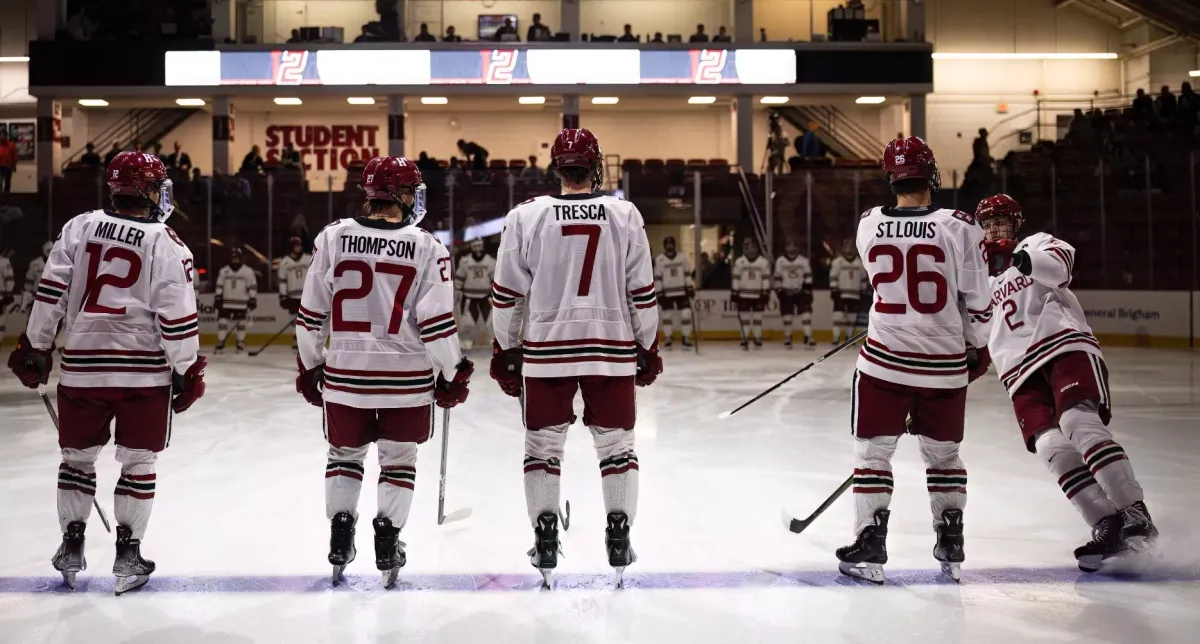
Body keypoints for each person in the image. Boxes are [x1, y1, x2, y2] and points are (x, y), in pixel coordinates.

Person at [6, 151, 206, 594]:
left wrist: (35, 345)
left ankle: (71, 544)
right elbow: (176, 316)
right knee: (138, 463)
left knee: (77, 459)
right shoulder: (166, 242)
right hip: (142, 374)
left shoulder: (79, 227)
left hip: (82, 369)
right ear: (149, 190)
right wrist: (187, 368)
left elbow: (50, 291)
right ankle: (128, 552)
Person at [489, 127, 661, 589]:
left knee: (542, 451)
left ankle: (545, 536)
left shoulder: (527, 216)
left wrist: (505, 348)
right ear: (595, 165)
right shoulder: (624, 214)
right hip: (611, 348)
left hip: (547, 352)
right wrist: (648, 343)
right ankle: (620, 533)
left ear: (557, 168)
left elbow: (507, 294)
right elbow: (641, 291)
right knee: (618, 449)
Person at [294, 155, 472, 588]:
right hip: (405, 381)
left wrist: (311, 362)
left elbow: (310, 312)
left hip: (346, 375)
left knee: (343, 458)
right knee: (398, 462)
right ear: (403, 195)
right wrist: (452, 371)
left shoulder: (334, 237)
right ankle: (388, 541)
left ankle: (341, 533)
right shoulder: (428, 246)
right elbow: (437, 324)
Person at [835, 136, 993, 584]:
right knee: (944, 457)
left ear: (891, 178)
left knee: (872, 454)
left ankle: (870, 542)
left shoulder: (868, 224)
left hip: (885, 361)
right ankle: (951, 540)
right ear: (932, 174)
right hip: (943, 365)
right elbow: (979, 304)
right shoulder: (960, 225)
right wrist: (975, 348)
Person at [976, 193, 1157, 572]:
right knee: (1052, 448)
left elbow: (1061, 267)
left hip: (1062, 348)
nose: (995, 228)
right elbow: (975, 338)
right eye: (988, 223)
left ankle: (1134, 512)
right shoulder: (977, 281)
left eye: (1002, 220)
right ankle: (1106, 524)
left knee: (1078, 423)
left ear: (1016, 223)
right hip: (1018, 374)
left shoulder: (1034, 243)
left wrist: (1018, 257)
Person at [454, 238, 495, 352]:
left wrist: (496, 293)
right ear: (471, 247)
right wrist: (457, 290)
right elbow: (460, 278)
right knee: (468, 322)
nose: (477, 248)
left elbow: (494, 279)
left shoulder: (490, 261)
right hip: (469, 296)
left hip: (486, 296)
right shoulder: (465, 261)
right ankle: (467, 340)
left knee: (491, 321)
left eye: (479, 245)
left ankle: (494, 341)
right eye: (475, 245)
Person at [213, 248, 257, 354]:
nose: (235, 259)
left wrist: (252, 298)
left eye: (237, 257)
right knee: (222, 321)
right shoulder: (224, 271)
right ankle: (221, 341)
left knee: (241, 323)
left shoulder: (248, 271)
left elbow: (252, 286)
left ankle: (240, 342)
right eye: (233, 257)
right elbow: (219, 285)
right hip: (226, 301)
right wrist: (218, 296)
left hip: (241, 302)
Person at [654, 236, 694, 349]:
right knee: (667, 316)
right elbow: (657, 277)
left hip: (681, 291)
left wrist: (689, 287)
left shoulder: (682, 257)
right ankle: (668, 337)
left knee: (686, 313)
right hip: (667, 292)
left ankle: (686, 337)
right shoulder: (660, 259)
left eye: (671, 244)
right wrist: (659, 292)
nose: (670, 246)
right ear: (664, 245)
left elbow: (687, 273)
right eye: (668, 244)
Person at [731, 238, 771, 350]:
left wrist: (765, 291)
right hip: (744, 294)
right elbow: (736, 278)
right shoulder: (739, 262)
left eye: (752, 247)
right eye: (747, 247)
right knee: (745, 318)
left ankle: (757, 337)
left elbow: (765, 279)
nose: (750, 250)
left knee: (758, 317)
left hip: (758, 294)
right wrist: (735, 291)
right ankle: (745, 338)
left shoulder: (763, 262)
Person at [775, 238, 814, 349]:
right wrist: (778, 289)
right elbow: (777, 276)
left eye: (793, 245)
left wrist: (807, 288)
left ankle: (808, 336)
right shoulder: (780, 261)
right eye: (788, 245)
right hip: (786, 291)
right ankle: (788, 336)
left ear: (797, 247)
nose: (791, 248)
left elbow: (808, 275)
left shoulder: (803, 261)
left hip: (800, 291)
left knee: (806, 314)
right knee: (787, 316)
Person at [277, 236, 311, 351]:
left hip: (307, 295)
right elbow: (282, 280)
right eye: (296, 246)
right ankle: (296, 339)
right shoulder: (284, 262)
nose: (298, 247)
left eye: (299, 245)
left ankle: (307, 339)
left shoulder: (308, 258)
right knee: (294, 319)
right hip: (292, 295)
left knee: (307, 319)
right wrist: (282, 295)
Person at [829, 239, 866, 344]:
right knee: (838, 316)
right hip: (841, 293)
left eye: (850, 247)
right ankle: (836, 338)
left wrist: (862, 290)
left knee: (852, 317)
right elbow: (833, 277)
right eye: (846, 246)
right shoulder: (837, 262)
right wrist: (834, 290)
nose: (848, 249)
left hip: (855, 294)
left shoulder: (860, 263)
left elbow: (863, 279)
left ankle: (849, 338)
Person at [0, 249, 14, 346]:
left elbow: (9, 279)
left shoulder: (3, 262)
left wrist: (8, 292)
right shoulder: (4, 262)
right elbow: (9, 278)